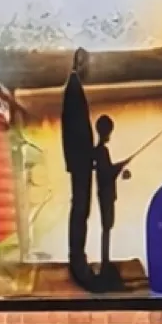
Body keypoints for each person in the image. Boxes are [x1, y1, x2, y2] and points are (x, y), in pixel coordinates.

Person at [61, 48, 96, 291]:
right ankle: (77, 261)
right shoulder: (73, 89)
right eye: (88, 64)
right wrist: (85, 157)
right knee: (80, 209)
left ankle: (78, 259)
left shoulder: (74, 88)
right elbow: (75, 132)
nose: (90, 69)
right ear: (80, 64)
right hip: (80, 162)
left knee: (82, 209)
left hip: (81, 161)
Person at [93, 114, 130, 287]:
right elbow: (106, 174)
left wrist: (118, 166)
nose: (110, 135)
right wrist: (120, 166)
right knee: (106, 228)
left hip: (104, 193)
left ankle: (105, 261)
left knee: (107, 228)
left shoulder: (99, 150)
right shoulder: (102, 151)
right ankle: (105, 263)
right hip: (106, 194)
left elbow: (106, 171)